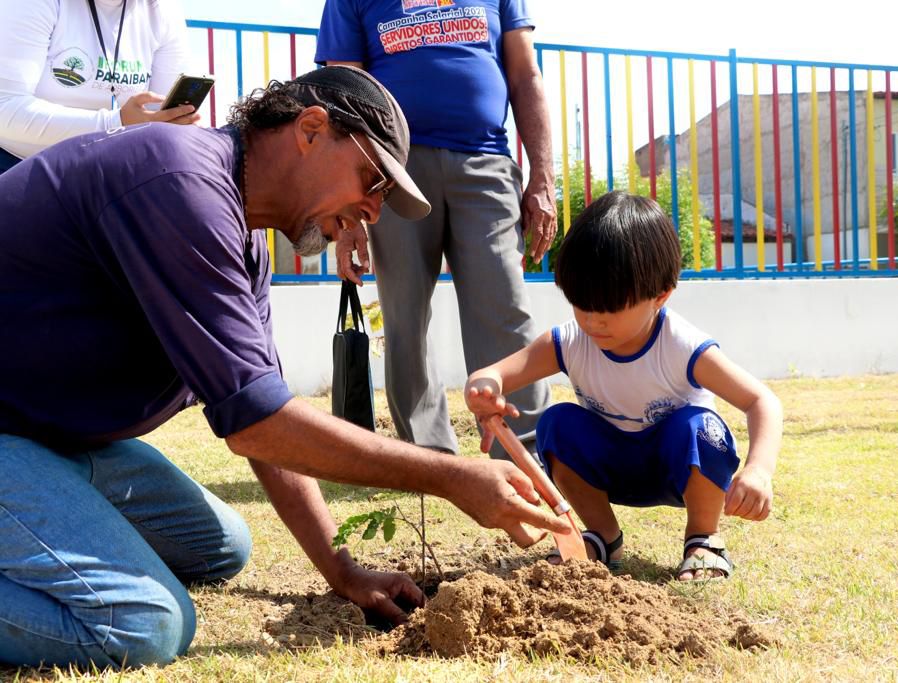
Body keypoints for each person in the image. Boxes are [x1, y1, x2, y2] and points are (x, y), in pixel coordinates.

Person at [0, 65, 570, 670]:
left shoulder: (242, 234)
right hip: (14, 435)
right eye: (372, 181)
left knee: (221, 546)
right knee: (144, 623)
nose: (373, 214)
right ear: (311, 129)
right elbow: (259, 425)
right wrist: (452, 477)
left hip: (46, 438)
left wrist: (341, 567)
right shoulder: (177, 179)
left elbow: (264, 409)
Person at [465, 191, 783, 580]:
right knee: (557, 422)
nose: (594, 322)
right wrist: (483, 389)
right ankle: (601, 537)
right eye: (582, 305)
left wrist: (759, 470)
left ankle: (703, 539)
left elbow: (760, 400)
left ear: (660, 296)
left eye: (611, 309)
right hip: (611, 466)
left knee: (703, 430)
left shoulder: (682, 346)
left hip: (678, 468)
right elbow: (495, 374)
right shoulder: (569, 342)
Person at [315, 0, 556, 460]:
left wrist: (543, 177)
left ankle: (526, 451)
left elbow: (526, 76)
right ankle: (427, 457)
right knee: (405, 317)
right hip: (392, 170)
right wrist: (348, 211)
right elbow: (341, 95)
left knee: (502, 306)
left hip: (486, 161)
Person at [0, 0, 199, 174]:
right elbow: (5, 107)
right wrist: (115, 124)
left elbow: (161, 117)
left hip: (108, 170)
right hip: (17, 165)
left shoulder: (163, 9)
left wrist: (177, 120)